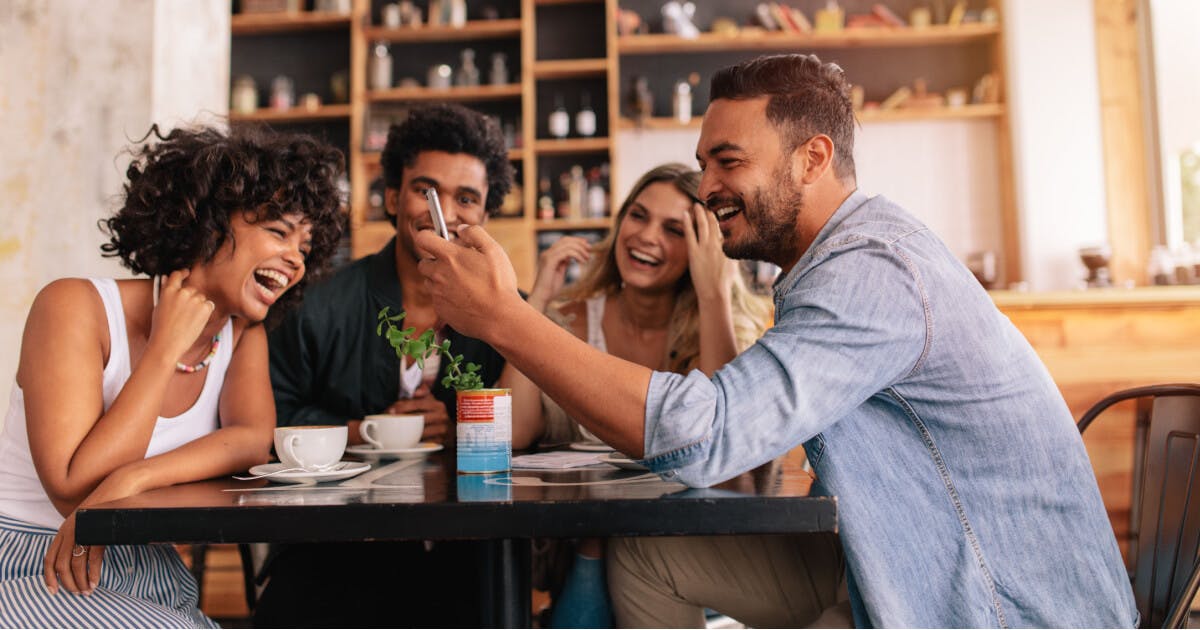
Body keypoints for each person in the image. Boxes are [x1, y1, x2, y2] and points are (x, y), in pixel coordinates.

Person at [411, 53, 1139, 627]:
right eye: (704, 164)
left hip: (997, 598)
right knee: (646, 556)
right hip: (893, 550)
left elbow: (708, 437)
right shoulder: (831, 265)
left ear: (812, 158)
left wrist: (505, 316)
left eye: (729, 162)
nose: (706, 188)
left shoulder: (872, 272)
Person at [0, 124, 344, 628]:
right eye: (278, 231)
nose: (295, 259)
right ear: (206, 221)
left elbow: (251, 439)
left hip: (147, 563)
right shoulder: (74, 307)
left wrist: (135, 476)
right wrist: (164, 350)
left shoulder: (243, 333)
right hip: (36, 560)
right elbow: (75, 492)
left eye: (306, 245)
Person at [255, 103, 514, 628]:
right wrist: (363, 432)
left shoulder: (510, 318)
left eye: (466, 198)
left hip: (463, 544)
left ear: (485, 216)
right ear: (393, 196)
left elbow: (531, 432)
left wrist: (466, 426)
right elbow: (264, 418)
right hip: (332, 545)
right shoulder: (317, 303)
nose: (444, 211)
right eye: (427, 190)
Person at [498, 163, 770, 627]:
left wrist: (714, 296)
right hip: (585, 543)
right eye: (638, 216)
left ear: (704, 248)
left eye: (673, 229)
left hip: (687, 547)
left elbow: (728, 461)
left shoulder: (724, 325)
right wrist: (536, 304)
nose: (646, 236)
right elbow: (512, 432)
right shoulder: (570, 319)